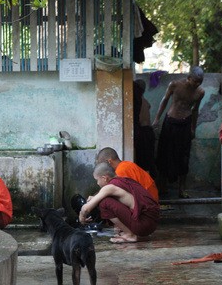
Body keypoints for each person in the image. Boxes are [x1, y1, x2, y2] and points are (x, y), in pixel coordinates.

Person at [153, 66, 205, 198]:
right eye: (195, 81)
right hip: (170, 122)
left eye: (200, 81)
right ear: (189, 78)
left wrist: (193, 128)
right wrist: (157, 119)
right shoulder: (175, 85)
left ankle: (182, 189)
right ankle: (162, 187)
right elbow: (164, 101)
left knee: (183, 156)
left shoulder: (200, 92)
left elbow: (195, 110)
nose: (197, 84)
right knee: (164, 154)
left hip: (185, 124)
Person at [79, 163, 159, 243]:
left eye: (97, 180)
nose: (97, 183)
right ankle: (133, 234)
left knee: (104, 203)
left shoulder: (110, 187)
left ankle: (129, 235)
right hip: (151, 224)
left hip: (143, 225)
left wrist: (82, 216)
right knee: (104, 200)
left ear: (104, 178)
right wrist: (95, 199)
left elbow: (86, 209)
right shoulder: (124, 181)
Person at [133, 79, 157, 178]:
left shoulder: (137, 101)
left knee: (143, 163)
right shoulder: (146, 102)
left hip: (143, 133)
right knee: (148, 162)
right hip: (148, 132)